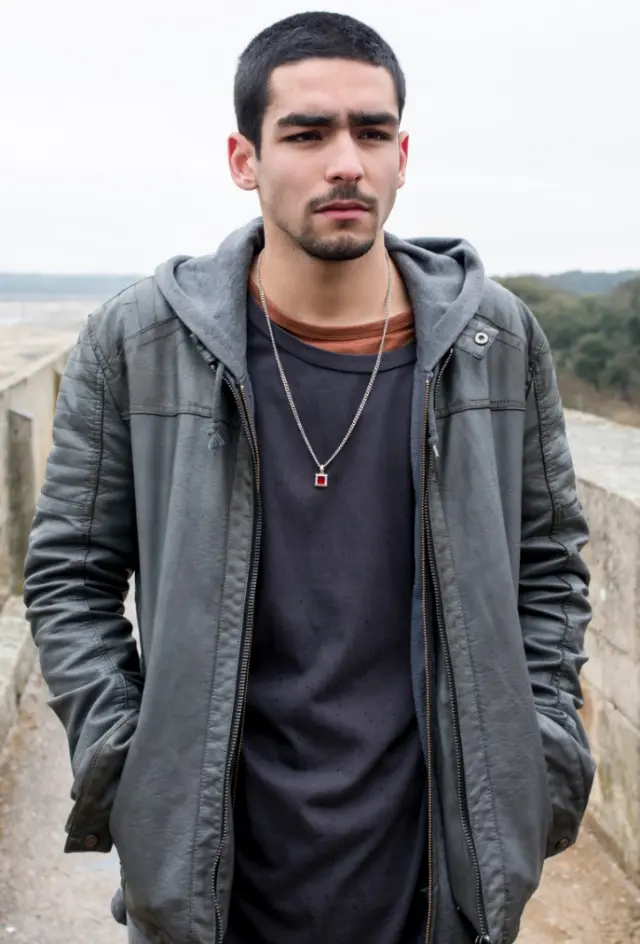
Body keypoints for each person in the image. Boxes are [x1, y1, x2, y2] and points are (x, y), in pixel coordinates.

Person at [23, 11, 595, 944]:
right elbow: (69, 578)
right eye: (307, 134)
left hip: (437, 881)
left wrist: (537, 752)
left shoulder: (495, 342)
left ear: (402, 156)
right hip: (214, 889)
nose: (345, 163)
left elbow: (551, 567)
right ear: (243, 160)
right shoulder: (138, 343)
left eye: (372, 133)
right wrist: (130, 762)